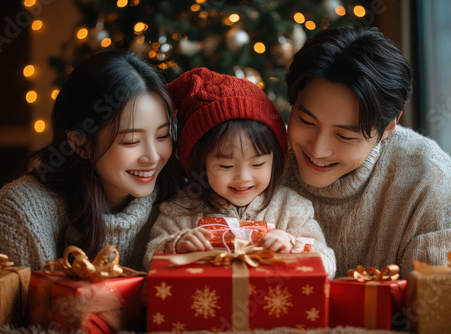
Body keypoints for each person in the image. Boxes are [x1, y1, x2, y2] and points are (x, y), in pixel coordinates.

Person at [282, 26, 451, 278]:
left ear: (388, 127)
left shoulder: (426, 175)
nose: (317, 149)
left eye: (344, 135)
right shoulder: (258, 160)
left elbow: (445, 302)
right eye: (306, 121)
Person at [0, 50, 185, 270]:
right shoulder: (20, 211)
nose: (154, 156)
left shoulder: (180, 204)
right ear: (80, 143)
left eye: (162, 136)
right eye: (131, 141)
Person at [143, 68, 336, 278]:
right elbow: (149, 261)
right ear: (199, 164)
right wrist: (176, 244)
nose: (243, 177)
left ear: (276, 160)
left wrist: (293, 245)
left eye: (258, 164)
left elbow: (327, 264)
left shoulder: (292, 209)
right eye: (226, 166)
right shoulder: (180, 210)